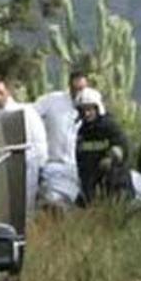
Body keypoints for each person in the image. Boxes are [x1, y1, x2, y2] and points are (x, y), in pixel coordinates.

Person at [0, 76, 48, 212]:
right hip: (1, 167)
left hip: (27, 165)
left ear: (7, 92)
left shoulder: (26, 112)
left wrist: (41, 166)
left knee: (25, 205)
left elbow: (39, 140)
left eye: (0, 93)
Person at [33, 72, 89, 208]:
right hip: (53, 166)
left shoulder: (91, 104)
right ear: (69, 86)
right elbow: (31, 116)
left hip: (78, 168)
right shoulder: (52, 101)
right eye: (76, 89)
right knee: (53, 201)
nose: (79, 93)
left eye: (82, 89)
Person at [73, 87, 131, 204]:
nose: (86, 113)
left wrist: (111, 158)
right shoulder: (82, 132)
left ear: (98, 108)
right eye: (83, 110)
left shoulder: (109, 127)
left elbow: (123, 147)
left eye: (90, 109)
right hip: (91, 189)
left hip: (115, 188)